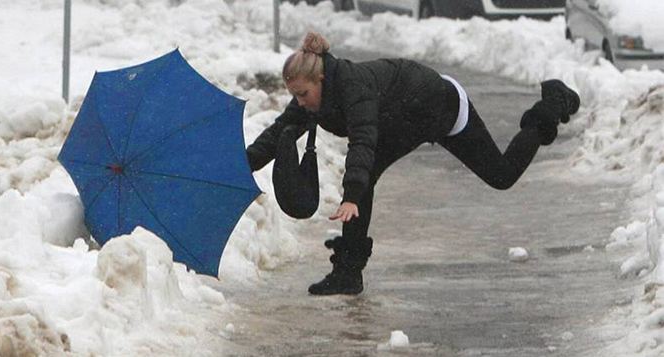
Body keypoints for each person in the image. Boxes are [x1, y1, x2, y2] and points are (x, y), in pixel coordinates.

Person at [246, 32, 580, 296]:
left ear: (320, 80)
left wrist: (351, 195)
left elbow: (362, 140)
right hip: (402, 116)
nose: (301, 102)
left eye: (304, 93)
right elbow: (279, 132)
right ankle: (348, 273)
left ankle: (550, 106)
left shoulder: (353, 89)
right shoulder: (312, 97)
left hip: (441, 106)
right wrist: (243, 163)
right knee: (369, 170)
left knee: (502, 175)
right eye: (297, 96)